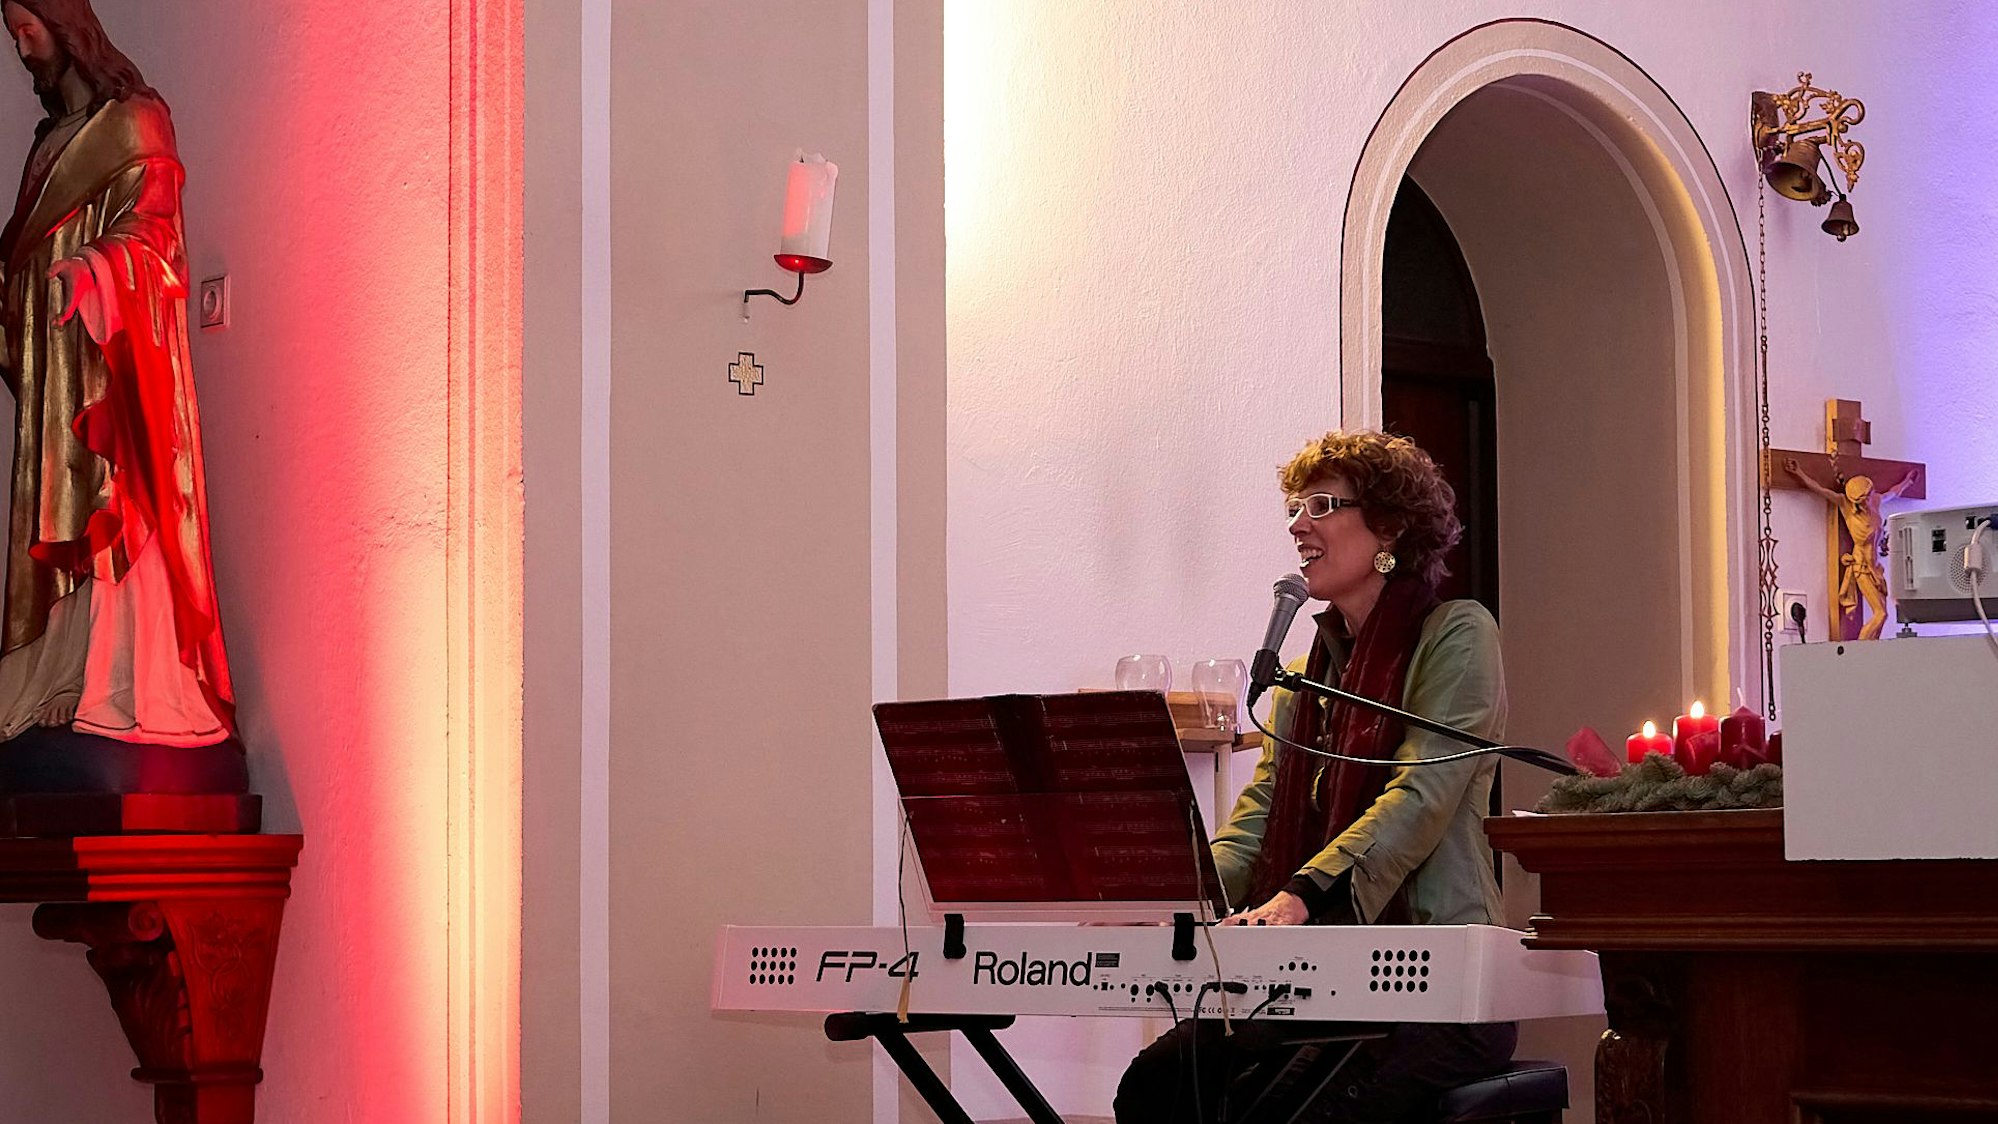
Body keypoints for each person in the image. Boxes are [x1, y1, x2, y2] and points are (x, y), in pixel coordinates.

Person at [1114, 430, 1514, 1123]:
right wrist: (1171, 890)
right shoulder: (1307, 674)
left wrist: (1302, 893)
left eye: (1324, 505)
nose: (1299, 525)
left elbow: (1420, 794)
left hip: (1445, 982)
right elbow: (1261, 813)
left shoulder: (1458, 633)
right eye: (1296, 508)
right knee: (1162, 1082)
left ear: (1389, 524)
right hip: (1319, 978)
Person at [0, 0, 233, 747]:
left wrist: (94, 269)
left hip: (108, 366)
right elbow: (20, 257)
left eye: (28, 26)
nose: (21, 43)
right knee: (53, 509)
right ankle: (54, 680)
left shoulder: (136, 122)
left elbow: (155, 230)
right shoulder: (46, 145)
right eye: (12, 33)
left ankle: (118, 680)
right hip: (53, 367)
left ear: (67, 24)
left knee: (113, 502)